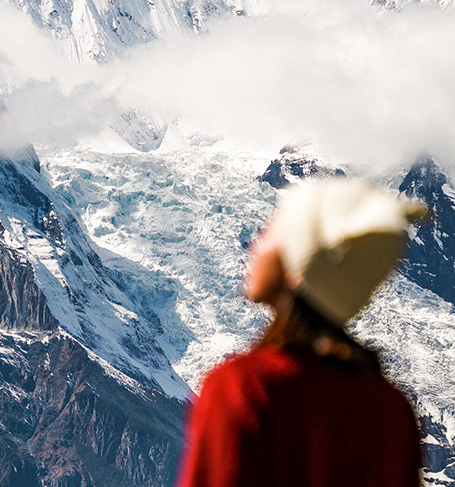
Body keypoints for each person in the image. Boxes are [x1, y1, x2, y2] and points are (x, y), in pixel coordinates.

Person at [176, 178, 427, 487]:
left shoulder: (243, 388)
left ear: (298, 266)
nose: (254, 243)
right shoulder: (391, 411)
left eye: (269, 231)